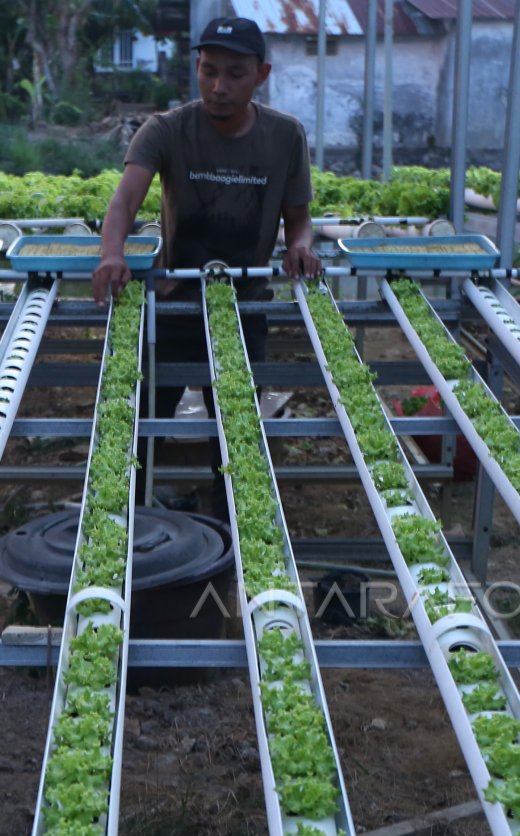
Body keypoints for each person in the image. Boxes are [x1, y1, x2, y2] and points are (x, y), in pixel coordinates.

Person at [92, 16, 321, 513]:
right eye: (208, 70)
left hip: (245, 307)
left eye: (235, 73)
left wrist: (299, 246)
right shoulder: (167, 130)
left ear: (261, 74)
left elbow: (299, 219)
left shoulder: (285, 136)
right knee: (145, 419)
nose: (219, 87)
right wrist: (112, 253)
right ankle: (129, 516)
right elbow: (123, 203)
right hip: (175, 303)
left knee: (237, 431)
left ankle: (231, 525)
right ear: (196, 68)